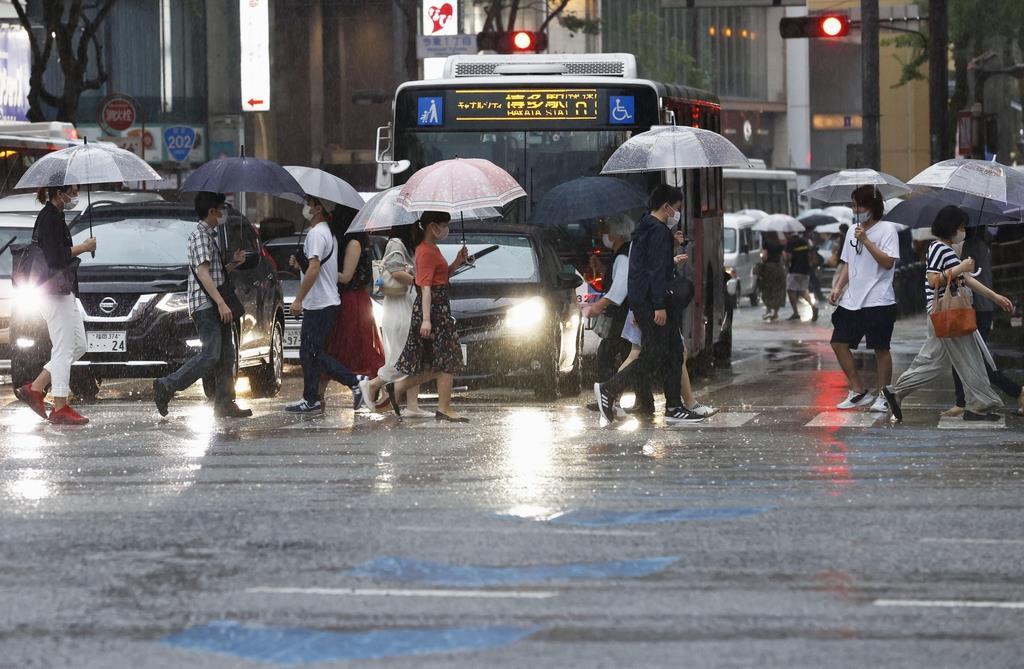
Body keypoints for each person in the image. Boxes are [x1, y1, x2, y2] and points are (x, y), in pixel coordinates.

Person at [884, 206, 1014, 422]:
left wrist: (995, 297)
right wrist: (960, 267)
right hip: (945, 313)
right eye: (961, 227)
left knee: (944, 359)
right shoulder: (939, 248)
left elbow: (967, 281)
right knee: (957, 358)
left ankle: (898, 393)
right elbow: (934, 280)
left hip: (947, 312)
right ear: (952, 227)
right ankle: (975, 406)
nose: (963, 231)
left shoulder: (945, 248)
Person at [594, 185, 702, 425]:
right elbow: (655, 273)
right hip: (654, 305)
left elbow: (650, 266)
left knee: (674, 352)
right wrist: (659, 306)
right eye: (677, 208)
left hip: (646, 302)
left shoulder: (647, 226)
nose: (677, 213)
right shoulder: (657, 231)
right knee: (653, 355)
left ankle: (674, 407)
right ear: (666, 206)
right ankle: (609, 389)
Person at [153, 192, 251, 419]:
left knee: (227, 355)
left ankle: (225, 403)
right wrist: (220, 303)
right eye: (220, 209)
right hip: (206, 306)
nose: (223, 213)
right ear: (211, 212)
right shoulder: (199, 236)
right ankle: (167, 385)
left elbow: (215, 274)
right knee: (211, 355)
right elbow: (203, 274)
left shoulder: (209, 236)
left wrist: (234, 263)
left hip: (216, 303)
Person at [373, 212, 470, 422]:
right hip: (434, 311)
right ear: (432, 226)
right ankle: (442, 407)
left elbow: (440, 278)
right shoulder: (425, 251)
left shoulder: (433, 249)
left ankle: (400, 389)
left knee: (440, 362)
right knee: (444, 360)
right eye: (443, 225)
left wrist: (456, 262)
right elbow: (424, 287)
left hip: (439, 309)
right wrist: (426, 319)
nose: (446, 230)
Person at [14, 185, 96, 425]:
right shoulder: (49, 217)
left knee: (78, 344)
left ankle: (36, 387)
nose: (75, 196)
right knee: (63, 347)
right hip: (52, 291)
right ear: (60, 193)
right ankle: (60, 406)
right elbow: (55, 256)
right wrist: (84, 247)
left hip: (62, 290)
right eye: (72, 191)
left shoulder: (56, 216)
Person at [283, 195, 362, 414]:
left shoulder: (317, 234)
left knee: (312, 352)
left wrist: (298, 299)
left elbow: (315, 268)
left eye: (308, 203)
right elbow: (316, 267)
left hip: (319, 304)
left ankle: (354, 381)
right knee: (309, 353)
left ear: (318, 208)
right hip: (325, 302)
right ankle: (311, 399)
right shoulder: (326, 232)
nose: (304, 207)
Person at [828, 185, 900, 413]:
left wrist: (867, 241)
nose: (855, 209)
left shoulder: (887, 230)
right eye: (853, 205)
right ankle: (857, 390)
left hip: (879, 299)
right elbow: (849, 263)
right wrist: (839, 287)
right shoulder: (852, 231)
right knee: (838, 342)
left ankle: (884, 394)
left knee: (880, 348)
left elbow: (888, 262)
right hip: (852, 300)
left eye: (859, 205)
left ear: (872, 207)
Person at [945, 226, 1024, 417]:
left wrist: (960, 267)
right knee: (961, 358)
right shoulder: (980, 244)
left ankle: (1017, 392)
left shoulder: (972, 247)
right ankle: (962, 401)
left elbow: (968, 278)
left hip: (977, 309)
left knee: (978, 361)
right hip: (981, 308)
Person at [320, 208, 384, 402]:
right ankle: (319, 395)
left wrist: (321, 269)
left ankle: (366, 387)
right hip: (348, 300)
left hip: (352, 302)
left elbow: (346, 276)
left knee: (348, 348)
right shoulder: (348, 242)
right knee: (339, 348)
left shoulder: (354, 244)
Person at [366, 225, 427, 417]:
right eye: (417, 225)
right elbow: (394, 272)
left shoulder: (408, 246)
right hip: (398, 309)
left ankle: (412, 405)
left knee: (412, 356)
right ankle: (372, 384)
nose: (420, 229)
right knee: (404, 357)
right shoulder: (396, 243)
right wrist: (417, 281)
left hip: (407, 306)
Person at [784, 230, 818, 321]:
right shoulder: (805, 240)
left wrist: (786, 261)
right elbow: (811, 253)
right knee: (803, 291)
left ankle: (796, 313)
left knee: (791, 290)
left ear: (788, 233)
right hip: (805, 269)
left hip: (794, 269)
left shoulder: (790, 242)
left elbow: (788, 257)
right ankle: (813, 305)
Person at [758, 232, 786, 321]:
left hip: (769, 268)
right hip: (779, 268)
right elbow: (784, 256)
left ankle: (768, 310)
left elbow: (764, 257)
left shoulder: (766, 243)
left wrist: (762, 257)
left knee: (767, 288)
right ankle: (776, 313)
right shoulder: (780, 244)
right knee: (778, 289)